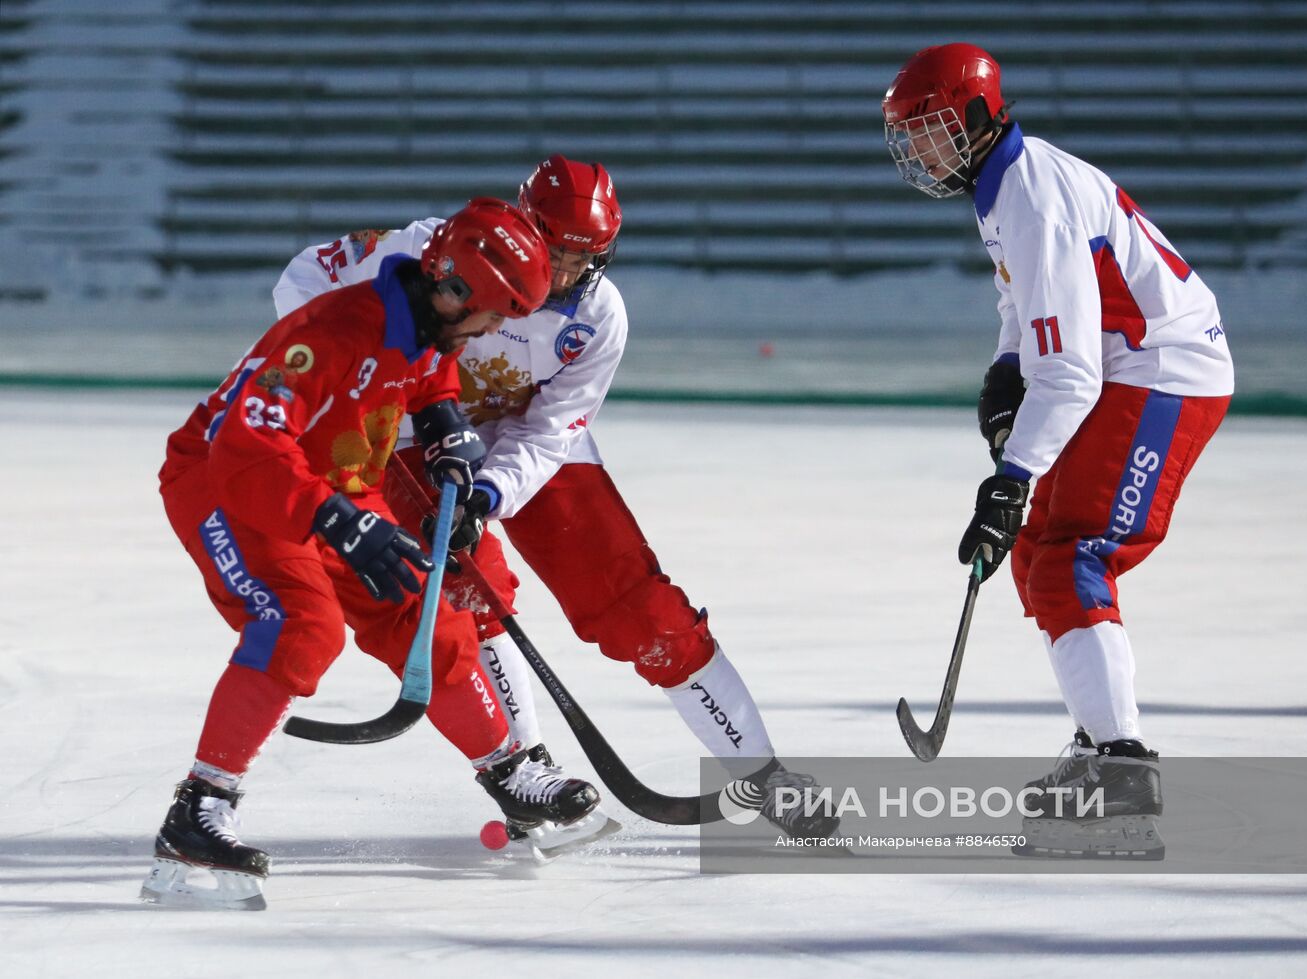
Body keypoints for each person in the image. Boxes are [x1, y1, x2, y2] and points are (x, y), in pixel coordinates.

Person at [273, 155, 838, 840]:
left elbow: (549, 429)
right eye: (557, 253)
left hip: (519, 439)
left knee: (639, 604)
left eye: (585, 258)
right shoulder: (436, 249)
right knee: (470, 585)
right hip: (418, 428)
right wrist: (372, 375)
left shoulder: (598, 317)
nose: (566, 275)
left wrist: (489, 490)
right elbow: (303, 279)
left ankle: (761, 772)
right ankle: (526, 774)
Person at [141, 198, 603, 911]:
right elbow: (245, 444)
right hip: (227, 481)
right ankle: (199, 809)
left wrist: (445, 424)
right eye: (493, 313)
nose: (493, 332)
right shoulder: (328, 332)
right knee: (302, 626)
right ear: (454, 292)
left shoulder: (424, 324)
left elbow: (425, 373)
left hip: (329, 479)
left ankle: (510, 769)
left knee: (428, 610)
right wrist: (336, 521)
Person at [882, 45, 1234, 857]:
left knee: (1073, 554)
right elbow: (1027, 302)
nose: (919, 152)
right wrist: (1009, 368)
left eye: (929, 130)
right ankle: (1097, 744)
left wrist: (1013, 476)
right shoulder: (1003, 181)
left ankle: (1122, 768)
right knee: (1042, 548)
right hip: (1130, 361)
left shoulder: (1031, 193)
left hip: (1163, 367)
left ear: (974, 119)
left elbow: (1071, 369)